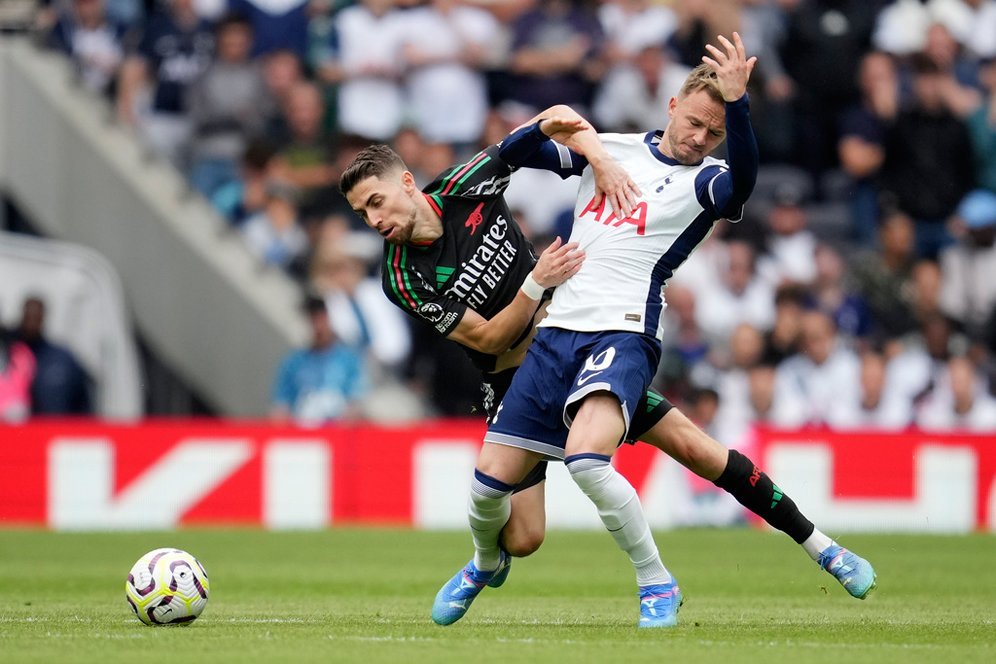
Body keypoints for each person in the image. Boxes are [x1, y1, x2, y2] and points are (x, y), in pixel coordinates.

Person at [340, 35, 875, 627]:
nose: (700, 139)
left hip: (618, 334)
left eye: (713, 133)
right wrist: (597, 157)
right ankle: (483, 563)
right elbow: (549, 133)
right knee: (514, 506)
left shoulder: (706, 181)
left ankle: (730, 568)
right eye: (696, 122)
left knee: (591, 460)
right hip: (546, 341)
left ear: (408, 184)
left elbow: (742, 180)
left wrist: (738, 105)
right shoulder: (612, 150)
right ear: (672, 106)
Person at [270, 295, 366, 425]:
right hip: (302, 434)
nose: (318, 326)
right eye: (313, 319)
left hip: (337, 432)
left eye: (322, 318)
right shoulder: (293, 363)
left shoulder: (349, 361)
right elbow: (281, 406)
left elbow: (355, 403)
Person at [14, 296, 93, 416]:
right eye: (28, 317)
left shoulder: (62, 359)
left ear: (43, 318)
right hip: (15, 431)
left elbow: (83, 400)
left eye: (36, 317)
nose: (32, 323)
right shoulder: (10, 355)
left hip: (55, 429)